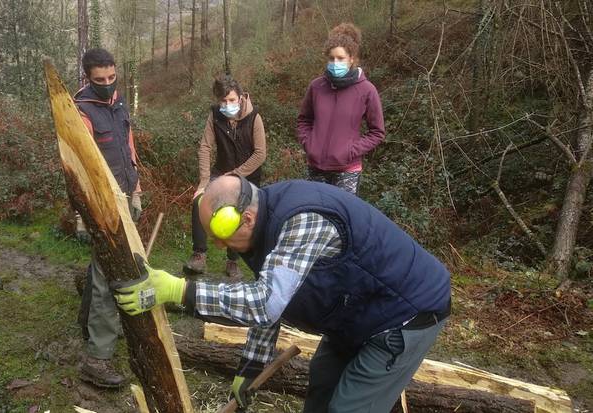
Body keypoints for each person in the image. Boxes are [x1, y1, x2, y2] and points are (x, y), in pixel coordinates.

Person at [114, 176, 451, 413]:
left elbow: (264, 302)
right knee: (321, 386)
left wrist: (179, 290)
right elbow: (274, 295)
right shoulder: (261, 225)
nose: (217, 246)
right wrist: (250, 369)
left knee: (349, 407)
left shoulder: (303, 219)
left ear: (245, 216)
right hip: (355, 311)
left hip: (404, 313)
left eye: (220, 234)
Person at [73, 48, 142, 389]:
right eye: (99, 80)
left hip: (126, 196)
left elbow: (128, 148)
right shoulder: (81, 111)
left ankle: (88, 324)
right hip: (101, 204)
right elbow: (79, 165)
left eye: (111, 77)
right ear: (87, 78)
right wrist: (83, 215)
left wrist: (138, 188)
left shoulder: (118, 101)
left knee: (103, 267)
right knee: (106, 275)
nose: (106, 84)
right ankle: (97, 359)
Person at [183, 75, 266, 279]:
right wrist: (204, 182)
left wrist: (236, 174)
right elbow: (205, 147)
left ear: (240, 97)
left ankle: (232, 261)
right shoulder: (215, 115)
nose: (227, 104)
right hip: (220, 171)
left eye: (231, 100)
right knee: (199, 201)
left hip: (247, 177)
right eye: (223, 101)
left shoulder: (254, 117)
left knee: (239, 212)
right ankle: (199, 255)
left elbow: (260, 154)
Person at [297, 23, 385, 195]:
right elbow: (304, 120)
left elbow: (377, 132)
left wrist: (350, 151)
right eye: (331, 58)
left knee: (341, 217)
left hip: (347, 170)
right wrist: (309, 144)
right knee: (317, 216)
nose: (335, 62)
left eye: (340, 58)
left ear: (351, 58)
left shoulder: (367, 90)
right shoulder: (317, 86)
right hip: (316, 167)